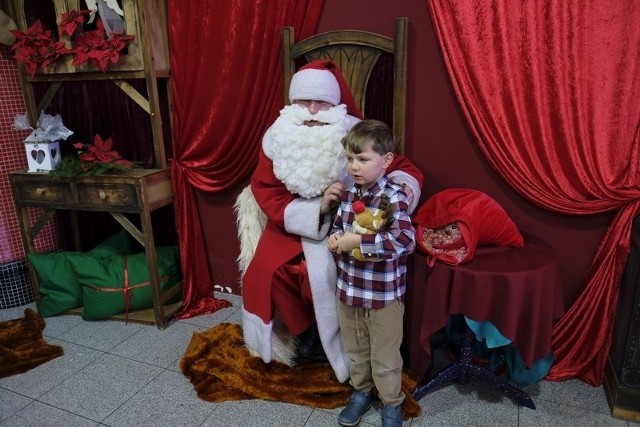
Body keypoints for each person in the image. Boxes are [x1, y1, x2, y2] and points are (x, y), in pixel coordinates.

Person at [237, 59, 423, 383]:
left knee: (320, 273)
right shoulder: (277, 137)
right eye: (302, 102)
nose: (311, 109)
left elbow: (399, 166)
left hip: (348, 223)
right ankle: (305, 335)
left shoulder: (352, 130)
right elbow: (265, 189)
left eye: (320, 101)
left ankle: (344, 346)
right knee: (267, 271)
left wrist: (403, 189)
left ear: (334, 104)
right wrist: (314, 210)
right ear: (292, 104)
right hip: (292, 222)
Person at [328, 119, 415, 427]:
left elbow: (404, 242)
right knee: (356, 349)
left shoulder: (394, 197)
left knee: (385, 356)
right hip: (349, 292)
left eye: (363, 159)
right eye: (350, 159)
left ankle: (392, 402)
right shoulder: (350, 196)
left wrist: (361, 243)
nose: (354, 166)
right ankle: (361, 392)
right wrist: (336, 239)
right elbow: (339, 227)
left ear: (386, 160)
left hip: (383, 298)